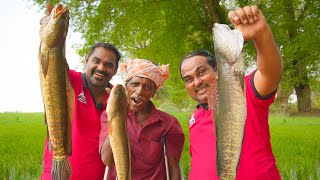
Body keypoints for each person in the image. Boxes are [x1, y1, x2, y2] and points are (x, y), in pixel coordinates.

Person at [179, 5, 283, 180]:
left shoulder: (242, 91)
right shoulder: (193, 118)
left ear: (218, 70)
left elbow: (270, 73)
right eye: (188, 79)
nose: (197, 82)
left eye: (201, 72)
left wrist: (262, 34)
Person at [41, 42, 121, 180]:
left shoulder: (117, 97)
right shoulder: (70, 79)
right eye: (96, 61)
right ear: (86, 61)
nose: (101, 68)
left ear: (115, 70)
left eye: (108, 65)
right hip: (56, 175)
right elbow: (51, 59)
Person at [99, 59, 185, 180]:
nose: (140, 91)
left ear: (153, 93)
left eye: (147, 87)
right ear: (126, 87)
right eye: (134, 84)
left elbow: (173, 166)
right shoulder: (109, 116)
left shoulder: (169, 124)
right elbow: (107, 160)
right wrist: (119, 118)